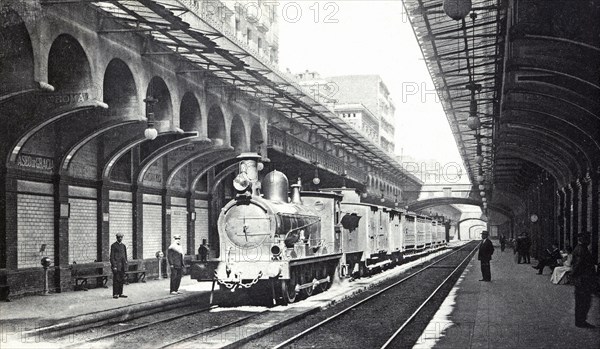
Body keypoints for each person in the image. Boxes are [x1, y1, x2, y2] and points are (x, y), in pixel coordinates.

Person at [571, 232, 596, 328]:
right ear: (583, 239)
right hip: (583, 280)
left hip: (582, 280)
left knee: (582, 301)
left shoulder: (580, 248)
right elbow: (577, 265)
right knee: (583, 301)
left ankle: (580, 321)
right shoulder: (581, 250)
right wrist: (574, 276)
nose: (589, 240)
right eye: (587, 238)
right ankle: (581, 321)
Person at [109, 233, 128, 299]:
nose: (120, 238)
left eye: (121, 237)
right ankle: (115, 294)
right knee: (116, 280)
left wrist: (125, 264)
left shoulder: (123, 246)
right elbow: (112, 257)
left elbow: (125, 256)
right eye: (119, 237)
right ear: (116, 238)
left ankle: (120, 293)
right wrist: (114, 265)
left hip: (122, 266)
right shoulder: (113, 245)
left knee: (121, 279)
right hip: (116, 266)